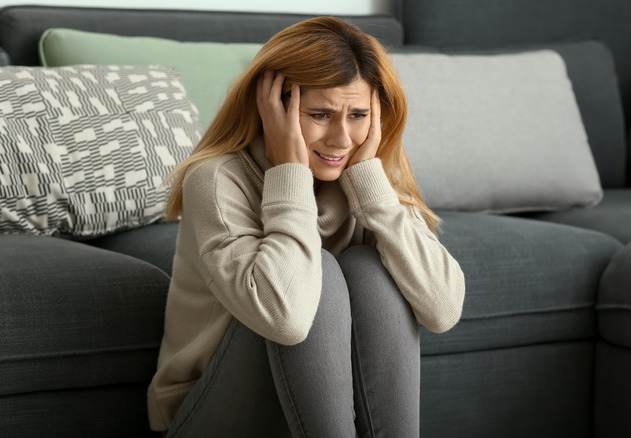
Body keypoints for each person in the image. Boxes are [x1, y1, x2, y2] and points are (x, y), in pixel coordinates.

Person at [147, 16, 465, 437]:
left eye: (358, 115)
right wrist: (291, 174)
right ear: (272, 106)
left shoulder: (364, 174)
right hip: (212, 412)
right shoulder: (217, 179)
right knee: (322, 275)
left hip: (316, 410)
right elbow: (287, 319)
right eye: (320, 114)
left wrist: (374, 190)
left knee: (373, 271)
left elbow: (442, 311)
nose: (341, 138)